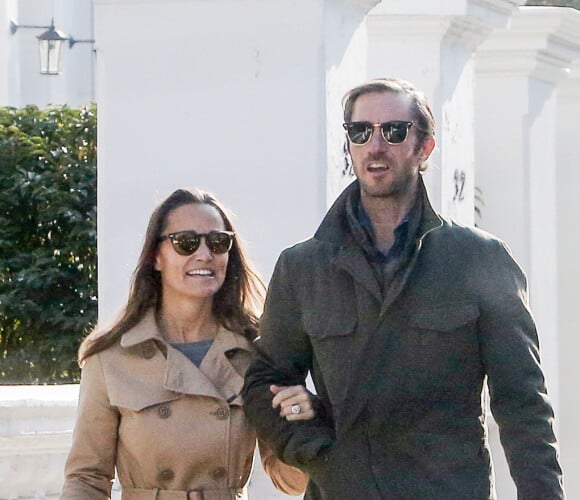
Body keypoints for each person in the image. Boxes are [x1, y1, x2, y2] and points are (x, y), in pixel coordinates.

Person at [243, 78, 565, 499]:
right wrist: (320, 453)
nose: (375, 146)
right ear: (350, 146)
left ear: (425, 148)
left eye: (394, 132)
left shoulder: (480, 260)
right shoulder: (304, 267)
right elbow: (263, 382)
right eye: (361, 132)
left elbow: (524, 405)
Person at [62, 188, 310, 500]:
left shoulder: (256, 352)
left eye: (218, 242)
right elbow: (87, 479)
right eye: (186, 243)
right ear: (156, 256)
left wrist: (300, 424)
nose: (204, 254)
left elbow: (289, 481)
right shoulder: (111, 357)